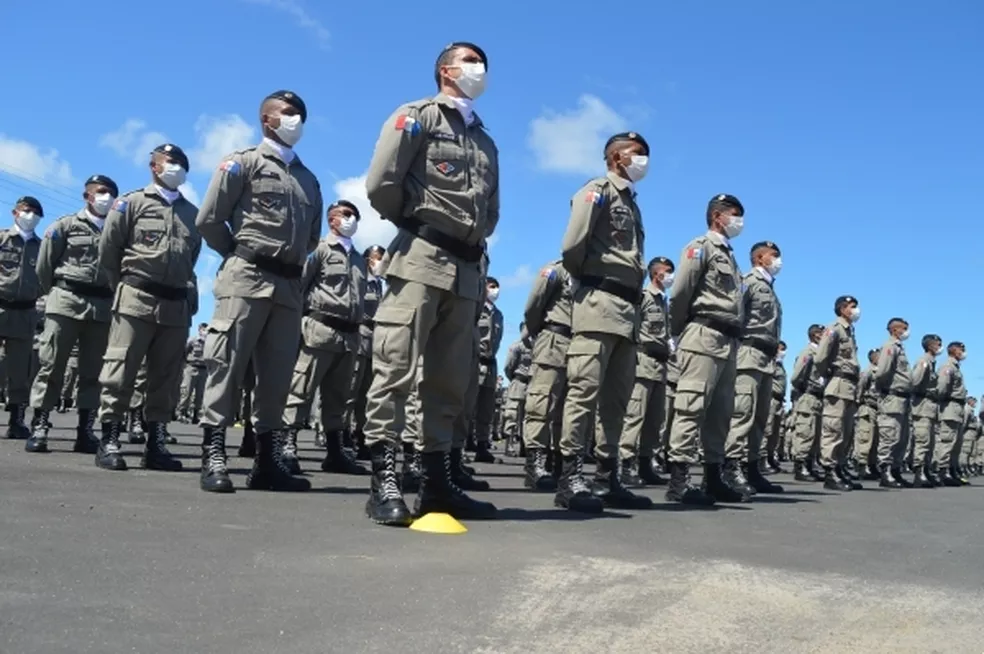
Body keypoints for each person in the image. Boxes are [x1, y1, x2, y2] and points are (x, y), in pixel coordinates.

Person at [361, 41, 499, 525]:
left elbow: (491, 210)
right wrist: (420, 225)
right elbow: (382, 182)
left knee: (448, 383)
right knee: (395, 368)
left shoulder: (485, 140)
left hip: (465, 270)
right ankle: (386, 482)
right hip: (420, 258)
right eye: (470, 61)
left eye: (483, 63)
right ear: (445, 70)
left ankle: (439, 482)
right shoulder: (416, 116)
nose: (479, 69)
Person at [196, 90, 322, 493]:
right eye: (287, 113)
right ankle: (214, 453)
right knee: (226, 364)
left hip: (288, 285)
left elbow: (313, 237)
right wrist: (239, 254)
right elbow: (210, 219)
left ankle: (267, 461)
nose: (295, 119)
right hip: (246, 277)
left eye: (300, 114)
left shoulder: (308, 179)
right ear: (267, 120)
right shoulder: (243, 163)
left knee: (277, 375)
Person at [556, 131, 652, 513]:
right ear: (615, 157)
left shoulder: (632, 203)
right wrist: (591, 281)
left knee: (616, 401)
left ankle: (606, 477)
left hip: (628, 311)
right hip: (598, 302)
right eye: (637, 153)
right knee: (584, 392)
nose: (643, 160)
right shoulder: (597, 191)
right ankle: (570, 477)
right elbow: (572, 246)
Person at [92, 143, 198, 472]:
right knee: (120, 370)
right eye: (171, 161)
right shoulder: (130, 204)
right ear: (154, 166)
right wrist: (124, 288)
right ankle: (109, 439)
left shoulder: (192, 214)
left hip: (175, 303)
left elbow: (190, 258)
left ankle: (156, 443)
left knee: (166, 377)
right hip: (136, 297)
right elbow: (109, 252)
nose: (178, 167)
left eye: (182, 163)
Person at [666, 194, 749, 505]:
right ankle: (679, 480)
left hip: (729, 341)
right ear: (717, 216)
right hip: (703, 334)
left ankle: (713, 478)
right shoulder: (701, 247)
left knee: (721, 414)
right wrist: (678, 332)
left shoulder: (730, 256)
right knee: (691, 407)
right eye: (734, 214)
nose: (739, 221)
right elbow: (681, 292)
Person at [27, 175, 118, 455]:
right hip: (65, 302)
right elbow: (44, 266)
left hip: (102, 306)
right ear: (88, 196)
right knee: (51, 365)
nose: (107, 198)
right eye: (101, 192)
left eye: (112, 193)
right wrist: (54, 294)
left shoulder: (118, 229)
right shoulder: (65, 225)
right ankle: (40, 426)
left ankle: (85, 430)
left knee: (93, 373)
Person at [281, 200, 367, 477]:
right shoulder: (319, 250)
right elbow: (301, 287)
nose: (352, 220)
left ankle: (334, 451)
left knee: (338, 397)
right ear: (332, 220)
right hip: (320, 330)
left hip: (350, 335)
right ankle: (287, 444)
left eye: (355, 216)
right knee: (301, 389)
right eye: (347, 215)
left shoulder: (358, 258)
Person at [724, 241, 784, 495]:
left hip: (766, 359)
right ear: (759, 258)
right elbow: (735, 312)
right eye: (774, 256)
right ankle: (730, 467)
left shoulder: (770, 288)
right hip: (748, 353)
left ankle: (751, 468)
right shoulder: (747, 281)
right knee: (742, 413)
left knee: (760, 418)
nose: (779, 260)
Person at [618, 256, 673, 488]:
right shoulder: (644, 298)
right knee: (635, 416)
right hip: (643, 362)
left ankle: (645, 463)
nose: (671, 275)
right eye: (667, 271)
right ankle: (625, 463)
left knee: (654, 420)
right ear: (655, 274)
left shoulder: (663, 301)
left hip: (661, 367)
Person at [521, 259, 573, 491]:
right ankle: (536, 464)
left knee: (568, 409)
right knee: (541, 404)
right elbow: (534, 305)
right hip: (554, 338)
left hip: (579, 344)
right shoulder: (556, 270)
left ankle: (560, 462)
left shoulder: (590, 273)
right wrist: (538, 332)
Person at [1, 196, 43, 440]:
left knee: (20, 370)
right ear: (15, 212)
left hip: (25, 311)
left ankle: (16, 420)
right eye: (26, 210)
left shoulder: (41, 246)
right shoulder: (2, 239)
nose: (30, 216)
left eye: (35, 213)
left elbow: (46, 277)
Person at [813, 295, 862, 491]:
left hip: (849, 387)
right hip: (838, 384)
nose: (856, 310)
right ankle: (830, 472)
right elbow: (820, 358)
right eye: (852, 307)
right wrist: (830, 375)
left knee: (846, 431)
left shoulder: (849, 331)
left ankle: (840, 468)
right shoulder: (833, 329)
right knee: (833, 430)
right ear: (842, 309)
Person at [348, 244, 386, 458]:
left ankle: (360, 435)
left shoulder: (380, 286)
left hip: (375, 342)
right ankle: (339, 433)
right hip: (360, 336)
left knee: (367, 396)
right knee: (350, 391)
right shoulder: (360, 282)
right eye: (376, 258)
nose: (379, 262)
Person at [872, 317, 913, 488]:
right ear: (894, 330)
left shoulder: (899, 347)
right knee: (890, 436)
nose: (906, 331)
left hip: (903, 399)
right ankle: (885, 472)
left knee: (902, 438)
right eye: (903, 328)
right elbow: (882, 372)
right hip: (892, 397)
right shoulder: (890, 347)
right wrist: (885, 390)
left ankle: (895, 470)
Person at [472, 276, 503, 462]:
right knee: (468, 407)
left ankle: (482, 445)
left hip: (490, 364)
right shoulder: (476, 308)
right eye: (492, 287)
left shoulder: (498, 314)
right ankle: (463, 443)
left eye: (497, 287)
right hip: (475, 360)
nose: (495, 290)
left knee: (486, 409)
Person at [790, 324, 826, 482]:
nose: (823, 336)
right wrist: (804, 388)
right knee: (806, 432)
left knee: (815, 434)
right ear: (813, 335)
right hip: (808, 396)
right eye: (820, 333)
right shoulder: (808, 352)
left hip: (818, 397)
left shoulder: (821, 353)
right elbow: (797, 376)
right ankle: (800, 466)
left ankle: (810, 465)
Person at [935, 341, 968, 487]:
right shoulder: (947, 366)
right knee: (948, 440)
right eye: (961, 349)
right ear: (954, 350)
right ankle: (943, 470)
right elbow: (942, 387)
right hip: (950, 405)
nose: (963, 352)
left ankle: (952, 469)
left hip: (958, 407)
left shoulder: (956, 367)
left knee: (956, 442)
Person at [179, 323, 209, 423]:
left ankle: (196, 415)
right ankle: (182, 413)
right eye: (203, 329)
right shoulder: (193, 340)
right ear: (199, 330)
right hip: (191, 367)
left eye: (206, 329)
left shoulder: (209, 342)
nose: (205, 331)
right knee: (186, 392)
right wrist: (185, 365)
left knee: (200, 394)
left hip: (204, 369)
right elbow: (185, 351)